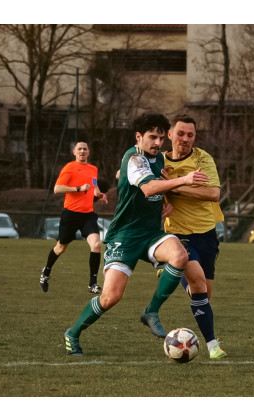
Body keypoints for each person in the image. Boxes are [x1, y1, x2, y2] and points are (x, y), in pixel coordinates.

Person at [63, 113, 210, 356]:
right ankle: (73, 332)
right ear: (138, 136)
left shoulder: (156, 158)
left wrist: (166, 201)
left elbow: (135, 179)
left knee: (179, 255)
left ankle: (151, 312)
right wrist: (184, 180)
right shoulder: (134, 158)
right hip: (125, 236)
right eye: (152, 137)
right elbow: (148, 187)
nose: (158, 143)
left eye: (161, 138)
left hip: (152, 233)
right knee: (110, 297)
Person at [162, 113, 227, 359]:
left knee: (202, 295)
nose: (185, 139)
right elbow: (132, 176)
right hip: (178, 234)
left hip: (207, 233)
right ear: (170, 134)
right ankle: (213, 346)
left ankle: (171, 270)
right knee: (197, 282)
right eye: (180, 133)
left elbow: (212, 194)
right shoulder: (158, 160)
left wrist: (175, 185)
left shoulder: (202, 158)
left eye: (190, 135)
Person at [39, 141, 108, 294]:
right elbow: (57, 189)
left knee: (96, 244)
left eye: (85, 149)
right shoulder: (69, 167)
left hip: (88, 215)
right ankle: (46, 272)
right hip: (70, 215)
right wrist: (78, 188)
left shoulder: (93, 169)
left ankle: (92, 284)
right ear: (74, 152)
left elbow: (94, 185)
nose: (82, 151)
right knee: (60, 248)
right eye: (79, 149)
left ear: (88, 152)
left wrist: (98, 194)